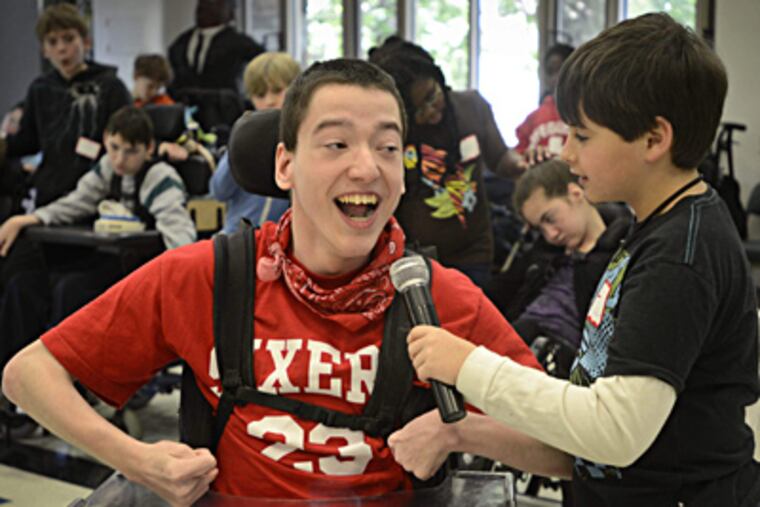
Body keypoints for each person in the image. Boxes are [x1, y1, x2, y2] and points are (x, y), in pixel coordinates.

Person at [1, 59, 561, 505]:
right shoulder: (207, 276)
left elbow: (563, 448)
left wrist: (459, 432)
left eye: (388, 148)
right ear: (285, 166)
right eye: (337, 144)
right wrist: (137, 459)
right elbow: (28, 375)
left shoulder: (438, 297)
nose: (367, 167)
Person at [393, 13, 760, 506]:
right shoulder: (646, 232)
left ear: (654, 139)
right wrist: (461, 433)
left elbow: (614, 432)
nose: (566, 154)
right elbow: (586, 445)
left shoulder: (680, 256)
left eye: (582, 136)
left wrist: (469, 366)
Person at [0, 105, 195, 374]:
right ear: (105, 138)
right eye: (114, 147)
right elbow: (77, 202)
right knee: (25, 285)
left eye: (130, 151)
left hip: (139, 269)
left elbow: (178, 229)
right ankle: (16, 376)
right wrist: (27, 219)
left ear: (149, 148)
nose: (119, 159)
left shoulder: (159, 177)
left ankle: (66, 379)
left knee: (71, 290)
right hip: (106, 258)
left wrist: (182, 279)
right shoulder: (107, 168)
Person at [370, 38, 523, 288]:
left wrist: (520, 163)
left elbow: (501, 159)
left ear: (439, 78)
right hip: (413, 260)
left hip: (474, 253)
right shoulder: (392, 131)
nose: (431, 111)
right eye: (417, 111)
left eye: (433, 96)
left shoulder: (471, 107)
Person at [0, 3, 131, 287]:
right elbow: (28, 141)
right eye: (53, 42)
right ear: (44, 50)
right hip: (50, 197)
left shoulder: (110, 86)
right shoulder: (40, 88)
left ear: (86, 41)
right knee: (20, 283)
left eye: (69, 39)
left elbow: (127, 139)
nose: (62, 49)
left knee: (69, 287)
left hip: (95, 200)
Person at [488, 159, 631, 366]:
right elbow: (498, 291)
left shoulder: (621, 254)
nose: (550, 234)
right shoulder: (542, 254)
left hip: (564, 359)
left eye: (550, 218)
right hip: (514, 338)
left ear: (575, 194)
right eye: (540, 228)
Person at [209, 52, 298, 234]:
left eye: (277, 90)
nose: (269, 101)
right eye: (260, 94)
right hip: (240, 237)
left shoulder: (305, 138)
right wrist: (239, 143)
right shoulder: (246, 134)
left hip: (286, 241)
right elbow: (219, 191)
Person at [167, 0, 265, 95]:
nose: (206, 6)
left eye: (214, 2)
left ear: (231, 12)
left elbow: (266, 68)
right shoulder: (180, 43)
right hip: (184, 105)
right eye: (202, 2)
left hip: (226, 106)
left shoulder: (241, 43)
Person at [514, 43, 574, 164]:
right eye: (550, 71)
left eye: (561, 70)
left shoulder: (587, 115)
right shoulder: (533, 119)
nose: (555, 78)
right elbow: (518, 160)